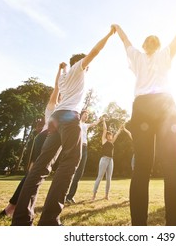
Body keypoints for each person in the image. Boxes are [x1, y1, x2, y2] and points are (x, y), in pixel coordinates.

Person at [112, 0, 176, 226]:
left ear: (145, 45)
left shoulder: (137, 55)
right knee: (172, 163)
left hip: (143, 106)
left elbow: (125, 41)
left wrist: (117, 28)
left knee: (142, 166)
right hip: (164, 105)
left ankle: (139, 228)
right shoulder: (165, 54)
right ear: (157, 45)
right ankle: (174, 226)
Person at [11, 27, 115, 226]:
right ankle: (50, 219)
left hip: (56, 119)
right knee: (70, 162)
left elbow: (56, 86)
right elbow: (94, 52)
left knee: (41, 165)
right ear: (81, 62)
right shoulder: (78, 68)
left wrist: (60, 69)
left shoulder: (65, 75)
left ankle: (21, 219)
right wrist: (109, 35)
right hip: (69, 118)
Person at [1, 62, 65, 217]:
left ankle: (13, 207)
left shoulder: (66, 109)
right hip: (44, 139)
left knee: (33, 175)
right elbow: (57, 86)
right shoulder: (53, 106)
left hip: (48, 140)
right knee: (32, 176)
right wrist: (60, 70)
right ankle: (12, 207)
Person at [65, 111, 102, 204]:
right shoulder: (76, 123)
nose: (87, 116)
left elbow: (95, 123)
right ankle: (64, 194)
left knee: (79, 173)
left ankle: (70, 196)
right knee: (71, 171)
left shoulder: (85, 125)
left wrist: (101, 119)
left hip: (85, 148)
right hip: (77, 146)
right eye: (85, 114)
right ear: (81, 115)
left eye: (88, 115)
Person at [92, 117, 123, 200]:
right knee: (100, 177)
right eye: (109, 135)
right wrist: (104, 121)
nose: (110, 136)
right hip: (104, 159)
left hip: (110, 160)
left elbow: (116, 135)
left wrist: (120, 129)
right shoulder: (104, 141)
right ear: (106, 136)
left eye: (111, 135)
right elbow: (105, 130)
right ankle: (94, 195)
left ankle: (106, 195)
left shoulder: (111, 142)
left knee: (109, 178)